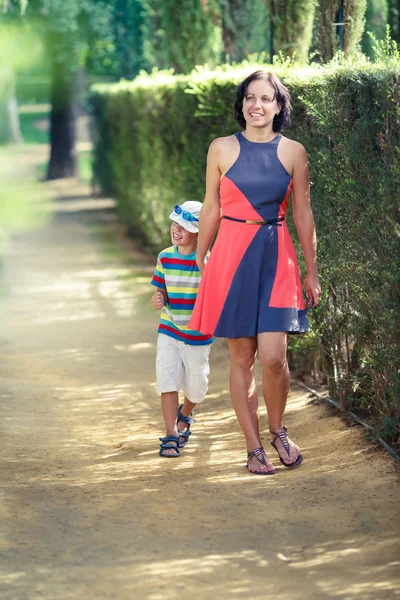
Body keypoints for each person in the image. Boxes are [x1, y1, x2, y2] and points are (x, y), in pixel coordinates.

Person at [189, 70, 321, 475]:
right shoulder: (221, 149)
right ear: (242, 103)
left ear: (279, 106)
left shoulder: (294, 152)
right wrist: (200, 255)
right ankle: (252, 446)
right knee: (242, 356)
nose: (256, 105)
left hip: (277, 256)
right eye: (249, 97)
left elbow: (302, 214)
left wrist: (311, 271)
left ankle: (277, 429)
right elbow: (211, 208)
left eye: (265, 98)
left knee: (274, 357)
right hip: (230, 257)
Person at [151, 201, 213, 457]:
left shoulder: (207, 261)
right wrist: (158, 299)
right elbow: (159, 291)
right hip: (169, 329)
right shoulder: (165, 257)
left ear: (198, 233)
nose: (176, 229)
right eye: (175, 223)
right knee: (167, 380)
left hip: (198, 335)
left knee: (197, 387)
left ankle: (185, 413)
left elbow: (216, 293)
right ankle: (171, 435)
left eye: (184, 227)